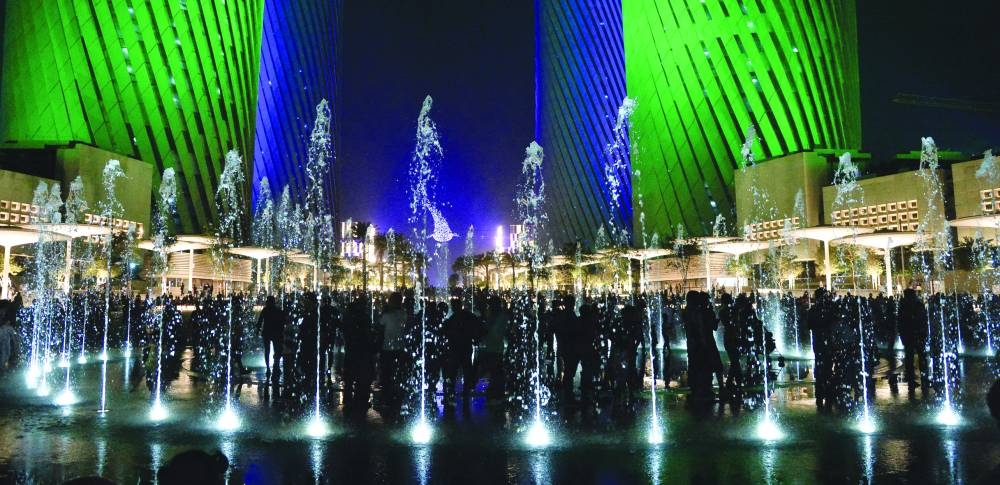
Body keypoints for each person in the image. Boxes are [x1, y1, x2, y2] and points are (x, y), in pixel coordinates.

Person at [442, 299, 482, 403]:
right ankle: (465, 393)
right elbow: (479, 326)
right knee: (466, 369)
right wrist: (476, 339)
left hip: (455, 348)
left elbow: (445, 332)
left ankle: (452, 394)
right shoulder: (468, 316)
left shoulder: (453, 318)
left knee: (453, 372)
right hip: (466, 347)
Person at [897, 287, 929, 397]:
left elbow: (900, 322)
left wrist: (902, 335)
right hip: (917, 334)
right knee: (921, 357)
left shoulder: (903, 306)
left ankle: (912, 381)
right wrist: (924, 333)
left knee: (910, 358)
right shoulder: (918, 304)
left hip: (909, 336)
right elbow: (924, 320)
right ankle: (924, 379)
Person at [378, 292, 406, 414]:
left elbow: (380, 328)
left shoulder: (387, 315)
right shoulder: (404, 314)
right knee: (397, 374)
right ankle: (397, 397)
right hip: (399, 348)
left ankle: (386, 399)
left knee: (386, 374)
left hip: (387, 348)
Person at [808, 287, 834, 411]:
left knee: (820, 367)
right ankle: (829, 395)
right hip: (827, 341)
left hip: (818, 341)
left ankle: (820, 396)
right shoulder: (829, 309)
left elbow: (808, 325)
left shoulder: (814, 310)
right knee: (828, 367)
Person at [0, 301, 16, 371]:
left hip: (5, 338)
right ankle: (3, 366)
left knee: (6, 351)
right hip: (4, 337)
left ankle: (3, 365)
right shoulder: (6, 328)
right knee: (5, 351)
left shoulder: (7, 327)